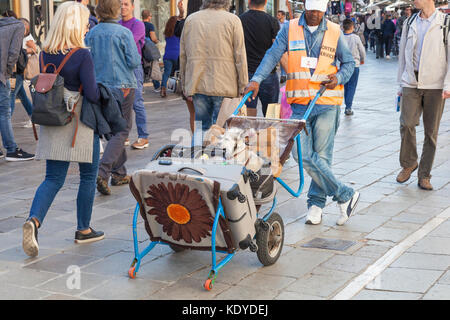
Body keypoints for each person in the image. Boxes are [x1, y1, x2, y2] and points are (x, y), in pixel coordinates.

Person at [244, 0, 360, 226]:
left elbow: (349, 63)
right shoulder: (289, 27)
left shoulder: (335, 31)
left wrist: (338, 78)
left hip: (327, 102)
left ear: (325, 10)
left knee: (323, 156)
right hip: (299, 104)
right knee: (301, 154)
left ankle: (315, 205)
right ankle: (345, 194)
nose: (315, 15)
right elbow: (272, 55)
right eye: (311, 10)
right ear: (304, 7)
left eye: (319, 11)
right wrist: (256, 79)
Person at [22, 1, 104, 258]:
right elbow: (91, 92)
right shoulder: (82, 54)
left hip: (52, 119)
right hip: (78, 122)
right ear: (77, 25)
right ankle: (83, 229)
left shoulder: (46, 52)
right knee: (88, 176)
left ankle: (34, 221)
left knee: (53, 178)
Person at [86, 0, 141, 195]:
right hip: (122, 85)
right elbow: (134, 61)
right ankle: (103, 171)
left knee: (112, 130)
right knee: (122, 130)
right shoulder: (123, 33)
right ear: (116, 11)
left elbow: (87, 60)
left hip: (99, 86)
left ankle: (119, 173)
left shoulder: (91, 33)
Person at [396, 0, 450, 191]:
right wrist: (400, 82)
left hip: (435, 84)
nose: (413, 1)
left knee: (431, 132)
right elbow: (402, 52)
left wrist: (448, 84)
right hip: (411, 81)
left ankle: (424, 175)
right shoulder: (410, 21)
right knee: (406, 123)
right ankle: (409, 163)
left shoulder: (445, 23)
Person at [180, 0, 248, 136]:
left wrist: (185, 85)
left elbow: (183, 56)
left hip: (198, 85)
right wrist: (243, 85)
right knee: (224, 131)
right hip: (225, 86)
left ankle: (199, 155)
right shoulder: (233, 20)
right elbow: (240, 56)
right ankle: (219, 157)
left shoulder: (191, 20)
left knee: (201, 129)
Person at [0, 11, 35, 161]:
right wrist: (7, 73)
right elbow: (14, 53)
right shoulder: (19, 26)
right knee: (5, 112)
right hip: (2, 75)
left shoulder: (2, 26)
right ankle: (12, 149)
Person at [239, 0, 280, 117]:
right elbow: (277, 49)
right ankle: (268, 135)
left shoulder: (240, 20)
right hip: (269, 74)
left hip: (246, 74)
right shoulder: (272, 21)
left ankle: (249, 135)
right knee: (271, 115)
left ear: (249, 1)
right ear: (266, 2)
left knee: (247, 115)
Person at [120, 0, 149, 150]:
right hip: (119, 67)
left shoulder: (138, 24)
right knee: (122, 103)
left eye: (126, 4)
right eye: (121, 4)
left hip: (133, 67)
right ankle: (124, 135)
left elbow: (128, 42)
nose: (123, 6)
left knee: (136, 101)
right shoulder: (117, 24)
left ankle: (143, 136)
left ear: (132, 7)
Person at [10, 18, 36, 128]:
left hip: (21, 69)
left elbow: (34, 49)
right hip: (18, 69)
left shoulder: (27, 38)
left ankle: (6, 120)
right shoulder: (17, 36)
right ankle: (34, 117)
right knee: (22, 96)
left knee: (11, 94)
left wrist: (22, 52)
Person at [343, 18, 365, 116]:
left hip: (343, 65)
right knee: (352, 86)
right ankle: (348, 107)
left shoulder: (340, 37)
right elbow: (362, 50)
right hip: (354, 64)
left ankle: (346, 104)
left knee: (346, 86)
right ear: (352, 27)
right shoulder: (355, 38)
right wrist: (362, 59)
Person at [160, 16, 180, 98]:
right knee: (181, 72)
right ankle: (182, 89)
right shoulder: (178, 33)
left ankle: (163, 89)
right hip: (177, 55)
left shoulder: (167, 33)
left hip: (167, 55)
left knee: (166, 73)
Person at [141, 9, 161, 91]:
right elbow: (153, 38)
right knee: (152, 66)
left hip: (141, 47)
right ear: (149, 17)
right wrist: (157, 41)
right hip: (148, 49)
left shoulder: (139, 24)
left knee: (142, 67)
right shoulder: (150, 25)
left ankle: (140, 87)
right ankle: (156, 86)